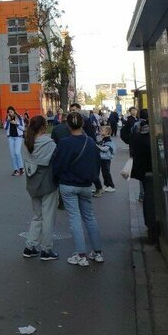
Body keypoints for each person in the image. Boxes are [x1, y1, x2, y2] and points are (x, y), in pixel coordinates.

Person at [51, 112, 104, 266]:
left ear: (68, 125)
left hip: (68, 184)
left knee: (74, 218)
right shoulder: (90, 142)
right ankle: (98, 252)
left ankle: (81, 255)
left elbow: (57, 164)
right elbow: (97, 163)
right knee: (89, 217)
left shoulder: (64, 143)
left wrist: (57, 178)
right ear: (83, 124)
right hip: (86, 185)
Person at [21, 115, 59, 261]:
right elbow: (56, 162)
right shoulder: (49, 144)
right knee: (48, 217)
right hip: (47, 183)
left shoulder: (26, 143)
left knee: (37, 216)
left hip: (32, 184)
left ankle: (29, 247)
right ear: (43, 128)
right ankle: (46, 249)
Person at [4, 106, 25, 175]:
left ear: (14, 111)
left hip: (18, 137)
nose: (10, 113)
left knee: (17, 152)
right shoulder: (7, 118)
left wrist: (16, 123)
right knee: (12, 154)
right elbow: (5, 128)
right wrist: (8, 121)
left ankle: (21, 168)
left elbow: (23, 128)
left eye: (11, 112)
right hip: (11, 138)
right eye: (9, 112)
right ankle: (16, 170)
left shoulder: (19, 117)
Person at [97, 124, 116, 192]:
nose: (100, 132)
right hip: (103, 158)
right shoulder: (104, 139)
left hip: (106, 159)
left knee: (106, 172)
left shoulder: (108, 140)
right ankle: (106, 185)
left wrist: (99, 147)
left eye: (102, 131)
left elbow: (106, 148)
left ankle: (111, 186)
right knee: (104, 172)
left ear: (107, 132)